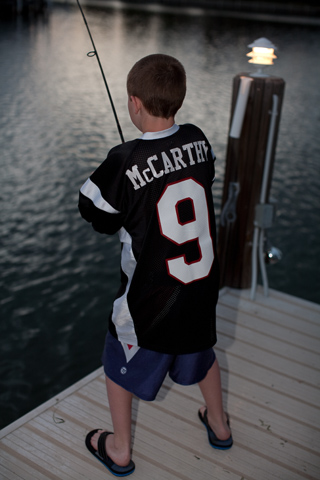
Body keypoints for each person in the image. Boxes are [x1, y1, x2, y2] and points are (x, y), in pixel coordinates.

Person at [79, 53, 232, 477]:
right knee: (201, 346)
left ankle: (120, 448)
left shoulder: (123, 159)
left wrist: (126, 171)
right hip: (199, 289)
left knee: (116, 362)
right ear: (177, 101)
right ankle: (219, 424)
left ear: (133, 103)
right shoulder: (199, 140)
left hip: (150, 299)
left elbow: (95, 215)